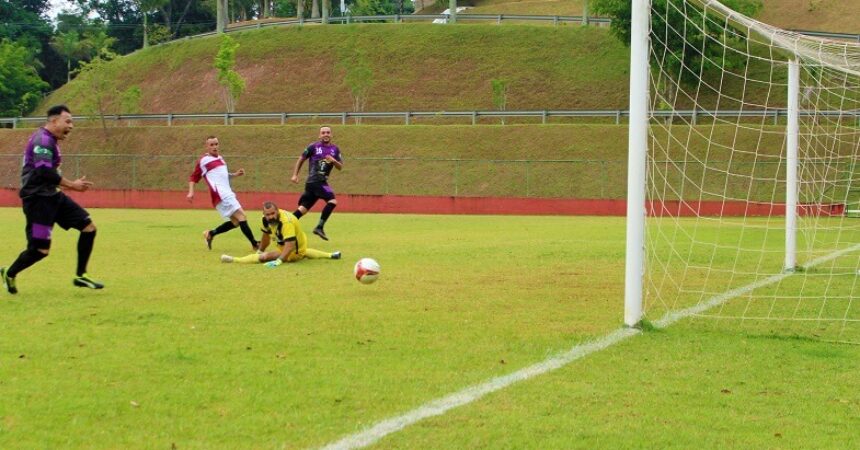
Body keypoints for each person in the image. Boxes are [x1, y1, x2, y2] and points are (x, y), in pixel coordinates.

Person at [1, 105, 103, 294]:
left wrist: (66, 186)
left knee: (89, 228)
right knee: (40, 251)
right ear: (54, 121)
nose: (71, 126)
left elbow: (45, 174)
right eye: (68, 121)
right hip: (38, 202)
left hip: (53, 196)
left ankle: (81, 275)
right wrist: (72, 185)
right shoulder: (43, 140)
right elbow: (44, 171)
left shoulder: (51, 141)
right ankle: (9, 272)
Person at [187, 136, 258, 251]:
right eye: (212, 145)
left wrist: (235, 175)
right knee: (242, 216)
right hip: (221, 194)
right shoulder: (203, 160)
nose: (215, 146)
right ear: (207, 146)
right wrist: (191, 192)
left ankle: (211, 233)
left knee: (235, 222)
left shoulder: (221, 159)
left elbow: (221, 175)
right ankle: (255, 244)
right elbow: (193, 177)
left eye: (216, 144)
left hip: (226, 193)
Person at [220, 201, 341, 266]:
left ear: (278, 211)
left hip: (293, 248)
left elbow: (290, 245)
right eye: (267, 215)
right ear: (264, 214)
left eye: (273, 213)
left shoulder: (286, 222)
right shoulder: (265, 219)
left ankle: (234, 260)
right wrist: (259, 250)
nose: (270, 217)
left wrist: (279, 261)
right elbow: (266, 237)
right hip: (296, 243)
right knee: (302, 252)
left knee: (265, 257)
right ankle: (331, 255)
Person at [289, 125, 343, 241]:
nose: (326, 134)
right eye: (323, 133)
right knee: (332, 201)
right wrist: (295, 174)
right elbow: (301, 159)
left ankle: (283, 226)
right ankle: (319, 227)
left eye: (328, 132)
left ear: (331, 134)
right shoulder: (313, 147)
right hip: (316, 181)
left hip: (316, 183)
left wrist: (333, 161)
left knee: (302, 209)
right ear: (319, 135)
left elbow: (340, 167)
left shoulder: (335, 149)